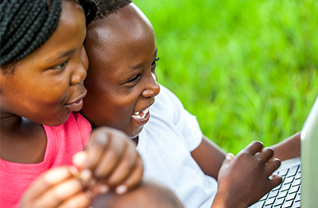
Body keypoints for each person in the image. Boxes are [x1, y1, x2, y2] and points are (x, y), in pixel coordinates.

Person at [80, 0, 300, 207]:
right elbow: (233, 191)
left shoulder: (160, 105)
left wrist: (305, 142)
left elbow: (230, 170)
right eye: (133, 79)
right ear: (79, 87)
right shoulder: (95, 173)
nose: (155, 87)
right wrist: (229, 201)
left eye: (153, 65)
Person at [0, 1, 144, 207]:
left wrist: (116, 148)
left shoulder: (72, 127)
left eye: (81, 47)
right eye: (60, 64)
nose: (81, 72)